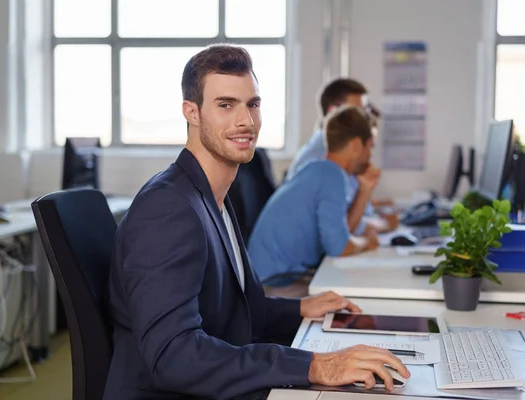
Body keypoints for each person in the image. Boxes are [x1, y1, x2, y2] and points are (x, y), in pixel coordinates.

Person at [103, 44, 409, 400]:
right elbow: (174, 356)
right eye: (225, 105)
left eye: (253, 104)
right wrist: (316, 366)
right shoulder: (168, 209)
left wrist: (300, 308)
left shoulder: (212, 195)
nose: (245, 121)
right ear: (192, 112)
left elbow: (227, 309)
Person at [248, 105, 382, 287]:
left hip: (277, 276)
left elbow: (345, 231)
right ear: (357, 145)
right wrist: (366, 242)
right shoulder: (332, 176)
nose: (371, 156)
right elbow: (339, 247)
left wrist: (364, 190)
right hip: (275, 284)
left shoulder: (319, 170)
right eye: (370, 147)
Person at [284, 78, 397, 234]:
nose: (366, 118)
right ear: (333, 112)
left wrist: (375, 204)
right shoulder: (321, 158)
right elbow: (342, 225)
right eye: (359, 111)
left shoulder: (337, 149)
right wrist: (384, 225)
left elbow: (345, 205)